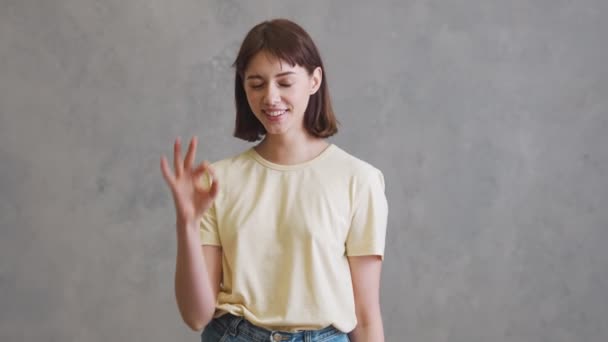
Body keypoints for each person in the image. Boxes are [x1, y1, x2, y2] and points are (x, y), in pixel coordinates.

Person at [160, 18, 388, 342]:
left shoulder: (359, 181)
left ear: (314, 80)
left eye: (284, 82)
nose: (270, 97)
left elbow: (365, 318)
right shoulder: (217, 183)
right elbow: (197, 316)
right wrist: (186, 223)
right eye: (256, 84)